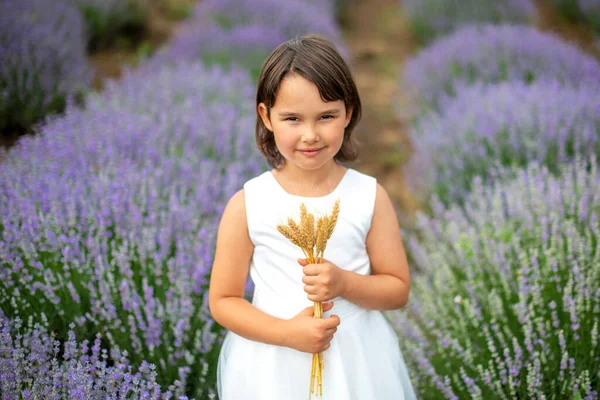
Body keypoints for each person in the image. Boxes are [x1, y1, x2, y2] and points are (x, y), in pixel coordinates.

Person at [209, 34, 416, 400]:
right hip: (273, 361)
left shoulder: (369, 196)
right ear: (266, 116)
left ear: (348, 112)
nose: (310, 134)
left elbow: (397, 289)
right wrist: (287, 334)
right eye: (292, 118)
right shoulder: (248, 203)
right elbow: (223, 300)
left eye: (326, 117)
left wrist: (344, 283)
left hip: (356, 358)